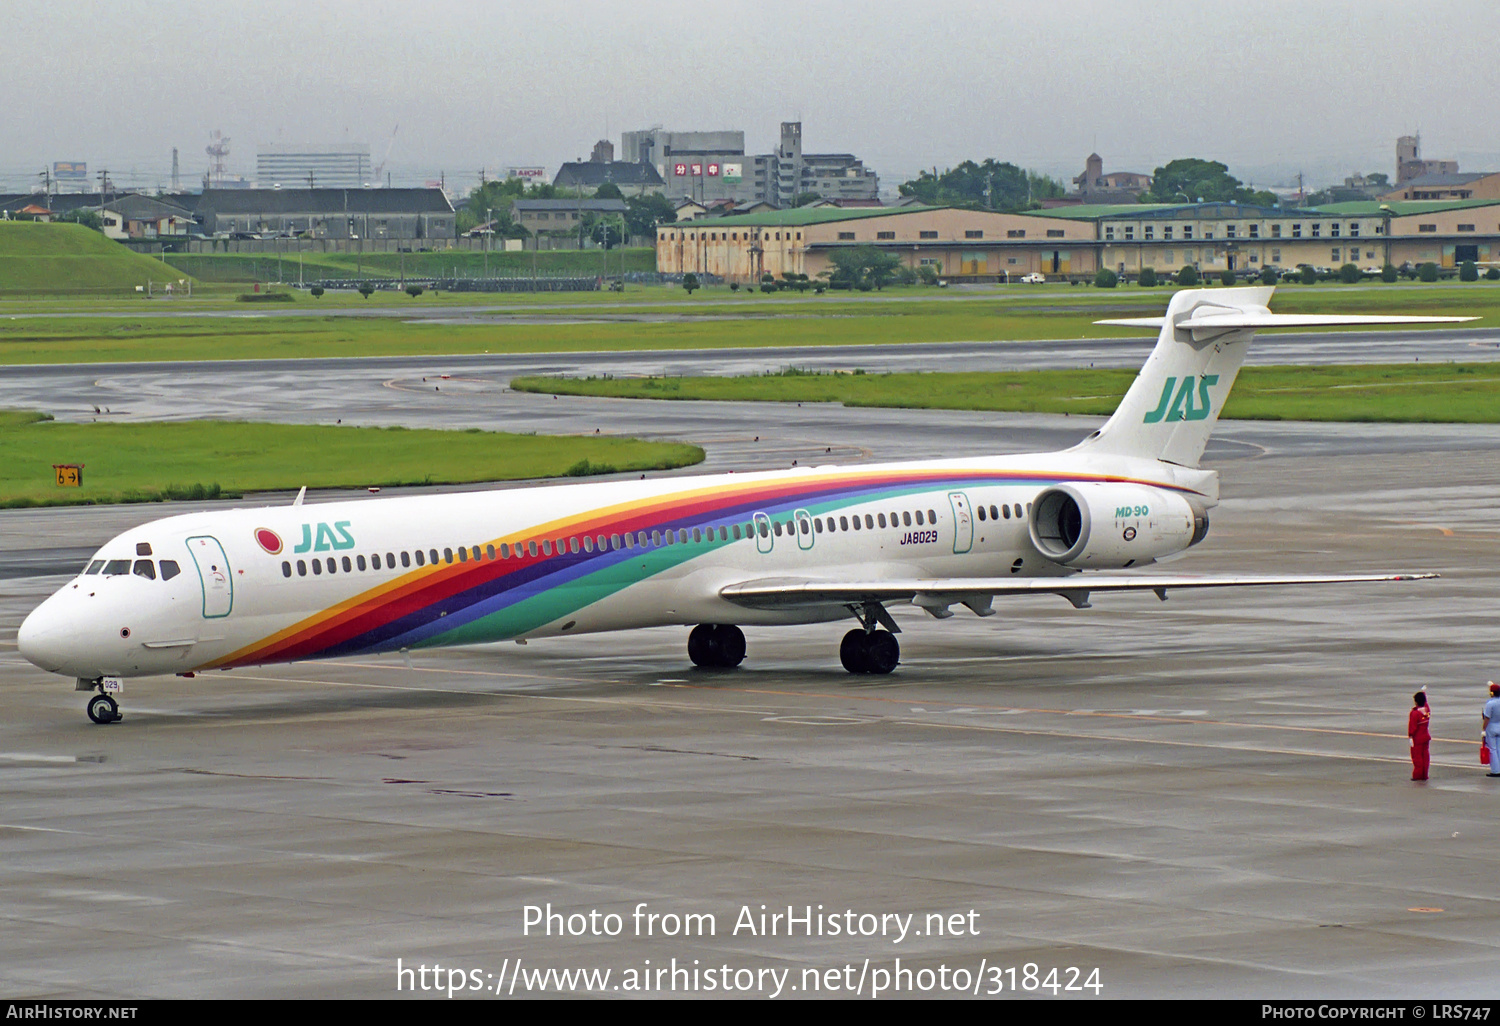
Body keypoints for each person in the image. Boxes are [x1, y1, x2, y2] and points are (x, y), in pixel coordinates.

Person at [1409, 690, 1431, 781]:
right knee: (1425, 757)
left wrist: (1410, 736)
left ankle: (1417, 775)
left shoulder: (1415, 714)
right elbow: (1426, 704)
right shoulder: (1427, 711)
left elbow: (1412, 727)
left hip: (1417, 739)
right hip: (1425, 736)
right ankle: (1424, 774)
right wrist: (1423, 693)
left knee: (1417, 758)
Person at [1484, 682, 1500, 778]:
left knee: (1492, 749)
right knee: (1499, 748)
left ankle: (1495, 770)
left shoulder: (1490, 703)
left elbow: (1487, 717)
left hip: (1492, 727)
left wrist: (1483, 729)